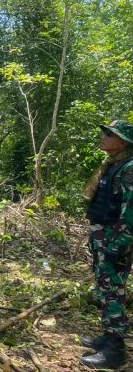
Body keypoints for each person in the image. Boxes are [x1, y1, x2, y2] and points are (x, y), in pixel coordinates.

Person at [80, 119, 133, 369]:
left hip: (115, 241)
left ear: (123, 142)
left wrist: (118, 245)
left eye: (109, 134)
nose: (103, 137)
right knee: (105, 288)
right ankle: (107, 337)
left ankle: (115, 351)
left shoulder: (129, 168)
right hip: (105, 238)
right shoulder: (113, 165)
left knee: (114, 292)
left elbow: (130, 213)